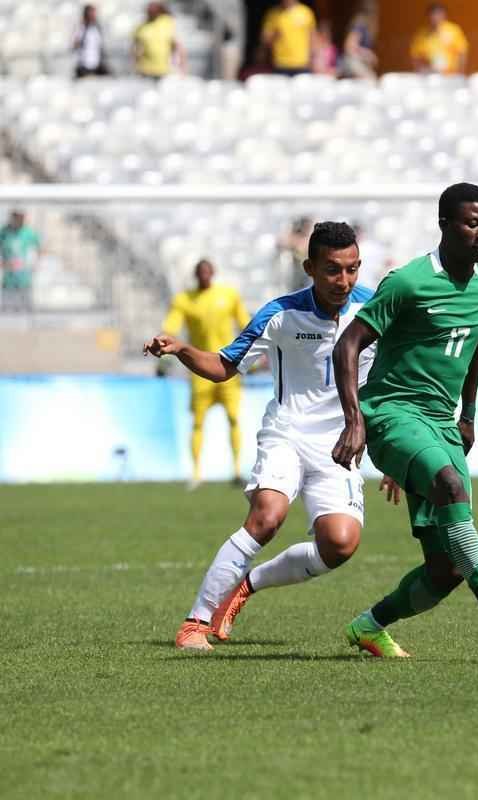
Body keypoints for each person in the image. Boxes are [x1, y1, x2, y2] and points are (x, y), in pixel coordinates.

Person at [330, 184, 478, 657]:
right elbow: (347, 344)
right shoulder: (408, 283)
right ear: (444, 225)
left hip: (441, 424)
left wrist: (468, 415)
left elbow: (473, 343)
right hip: (392, 411)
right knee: (450, 486)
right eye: (472, 224)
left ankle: (369, 626)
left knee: (447, 569)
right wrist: (355, 420)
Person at [147, 224, 381, 652]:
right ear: (309, 268)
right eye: (332, 270)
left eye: (352, 269)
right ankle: (195, 622)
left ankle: (247, 586)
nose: (343, 280)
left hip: (340, 446)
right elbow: (223, 365)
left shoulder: (376, 310)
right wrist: (181, 349)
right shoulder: (280, 314)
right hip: (287, 434)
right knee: (267, 517)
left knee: (340, 544)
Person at [160, 260, 250, 488]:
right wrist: (163, 346)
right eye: (200, 272)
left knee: (233, 418)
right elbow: (171, 326)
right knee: (198, 422)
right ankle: (196, 474)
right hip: (200, 370)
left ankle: (237, 470)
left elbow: (246, 324)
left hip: (228, 367)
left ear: (213, 273)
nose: (204, 276)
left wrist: (256, 352)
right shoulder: (184, 300)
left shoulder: (228, 295)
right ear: (195, 275)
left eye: (207, 272)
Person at [410, 3, 469, 75]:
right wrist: (421, 71)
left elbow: (462, 52)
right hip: (431, 75)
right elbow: (415, 56)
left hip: (451, 74)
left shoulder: (453, 31)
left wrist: (460, 73)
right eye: (433, 14)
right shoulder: (421, 35)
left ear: (444, 15)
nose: (435, 17)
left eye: (438, 14)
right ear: (428, 16)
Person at [262, 0, 317, 76]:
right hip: (280, 63)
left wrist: (313, 58)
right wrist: (274, 35)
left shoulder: (306, 12)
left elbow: (312, 37)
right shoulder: (273, 14)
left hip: (302, 63)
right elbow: (265, 40)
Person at [0, 210, 41, 311]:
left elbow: (39, 248)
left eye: (22, 217)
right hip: (8, 282)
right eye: (17, 217)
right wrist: (4, 263)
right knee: (7, 311)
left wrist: (34, 263)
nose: (20, 220)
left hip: (24, 280)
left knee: (27, 310)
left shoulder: (29, 233)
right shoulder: (3, 232)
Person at [133, 2, 184, 79]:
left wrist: (180, 66)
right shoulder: (141, 27)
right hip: (145, 69)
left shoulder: (167, 23)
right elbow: (136, 48)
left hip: (165, 69)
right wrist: (136, 63)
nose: (151, 12)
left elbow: (177, 45)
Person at [72, 5, 109, 78]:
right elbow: (75, 44)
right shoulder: (81, 28)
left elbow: (100, 45)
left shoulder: (97, 28)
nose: (93, 15)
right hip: (84, 64)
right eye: (91, 13)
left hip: (97, 64)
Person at [341, 12, 378, 79]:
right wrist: (367, 54)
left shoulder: (366, 28)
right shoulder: (360, 27)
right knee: (370, 79)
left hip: (360, 62)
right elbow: (350, 46)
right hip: (353, 61)